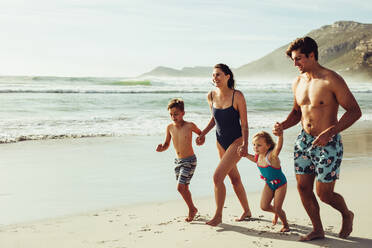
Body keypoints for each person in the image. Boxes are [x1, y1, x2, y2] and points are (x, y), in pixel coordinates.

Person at [273, 36, 362, 241]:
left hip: (329, 143)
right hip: (304, 141)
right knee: (303, 187)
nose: (295, 64)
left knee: (324, 194)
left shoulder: (331, 79)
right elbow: (297, 113)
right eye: (293, 60)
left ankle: (346, 214)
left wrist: (330, 132)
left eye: (298, 59)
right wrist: (283, 126)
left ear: (312, 55)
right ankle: (317, 229)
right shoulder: (298, 82)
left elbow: (354, 111)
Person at [196, 63, 251, 226]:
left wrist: (245, 145)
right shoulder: (210, 96)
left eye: (218, 74)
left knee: (217, 177)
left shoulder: (237, 96)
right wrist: (202, 133)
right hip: (220, 141)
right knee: (234, 178)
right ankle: (247, 211)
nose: (215, 78)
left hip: (236, 141)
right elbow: (214, 119)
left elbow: (245, 124)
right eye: (213, 75)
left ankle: (218, 215)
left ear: (228, 76)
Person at [156, 98, 202, 222]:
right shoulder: (169, 128)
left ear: (183, 113)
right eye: (171, 114)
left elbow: (201, 134)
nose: (173, 117)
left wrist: (200, 140)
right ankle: (192, 209)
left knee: (180, 187)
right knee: (185, 188)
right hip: (178, 162)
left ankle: (192, 209)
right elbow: (166, 144)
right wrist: (162, 148)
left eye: (176, 114)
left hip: (190, 161)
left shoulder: (190, 125)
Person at [245, 131, 289, 232]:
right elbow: (253, 159)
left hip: (280, 184)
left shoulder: (271, 156)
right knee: (264, 206)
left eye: (259, 145)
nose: (255, 147)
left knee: (278, 207)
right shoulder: (258, 156)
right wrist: (245, 155)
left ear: (268, 146)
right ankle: (277, 213)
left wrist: (280, 136)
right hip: (269, 183)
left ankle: (285, 224)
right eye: (254, 145)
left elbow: (278, 148)